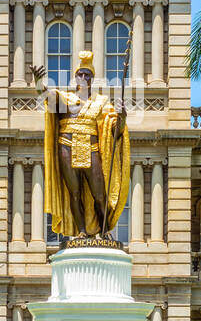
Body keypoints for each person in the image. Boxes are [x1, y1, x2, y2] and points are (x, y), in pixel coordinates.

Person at [31, 51, 129, 239]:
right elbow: (46, 96)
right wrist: (38, 82)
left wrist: (122, 115)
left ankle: (104, 230)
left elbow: (116, 131)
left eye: (87, 75)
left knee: (99, 195)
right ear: (75, 77)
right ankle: (81, 231)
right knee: (74, 193)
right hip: (66, 146)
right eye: (80, 74)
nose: (83, 78)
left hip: (91, 149)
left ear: (92, 79)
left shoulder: (101, 102)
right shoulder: (65, 99)